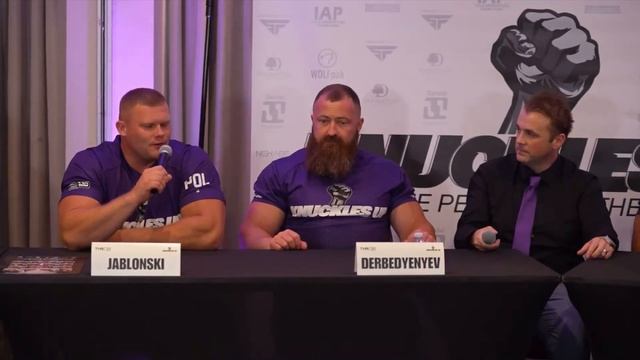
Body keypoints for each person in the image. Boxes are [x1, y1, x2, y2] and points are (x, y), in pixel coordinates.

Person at [454, 90, 618, 360]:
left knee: (570, 325)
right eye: (518, 131)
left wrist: (603, 242)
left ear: (558, 140)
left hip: (554, 283)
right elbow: (465, 230)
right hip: (495, 280)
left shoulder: (582, 184)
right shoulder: (490, 174)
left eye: (531, 134)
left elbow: (604, 234)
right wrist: (477, 235)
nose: (519, 140)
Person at [240, 83, 435, 249]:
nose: (331, 131)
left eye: (342, 122)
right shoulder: (281, 172)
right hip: (300, 282)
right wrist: (271, 242)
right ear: (312, 121)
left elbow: (416, 229)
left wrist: (420, 238)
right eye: (323, 121)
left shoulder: (388, 173)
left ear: (359, 125)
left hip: (372, 285)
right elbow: (253, 231)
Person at [59, 88, 225, 250]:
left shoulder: (192, 159)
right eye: (149, 126)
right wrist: (135, 196)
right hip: (108, 275)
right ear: (122, 128)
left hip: (177, 274)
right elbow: (74, 234)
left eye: (165, 125)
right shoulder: (90, 162)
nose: (160, 133)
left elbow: (209, 232)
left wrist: (112, 239)